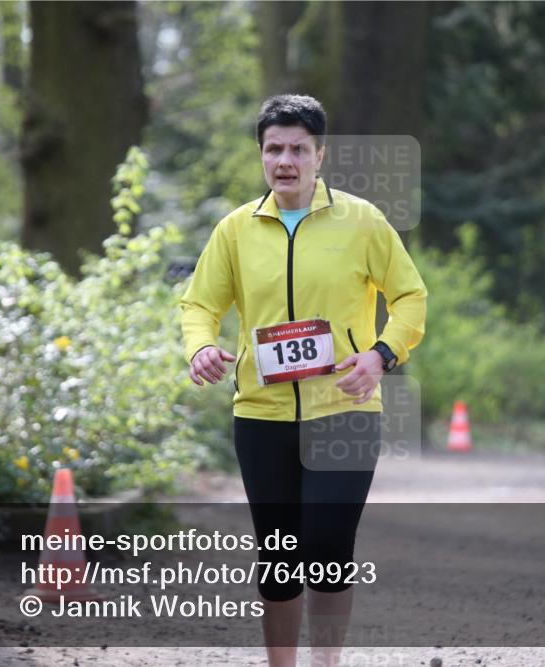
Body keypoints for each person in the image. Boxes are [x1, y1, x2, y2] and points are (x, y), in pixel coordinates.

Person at [179, 94, 427, 667]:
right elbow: (199, 305)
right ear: (261, 155)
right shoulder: (235, 230)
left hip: (343, 410)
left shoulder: (362, 221)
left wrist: (381, 355)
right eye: (274, 149)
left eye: (297, 149)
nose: (285, 161)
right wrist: (201, 348)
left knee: (328, 548)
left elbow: (410, 296)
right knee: (278, 559)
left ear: (320, 155)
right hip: (261, 416)